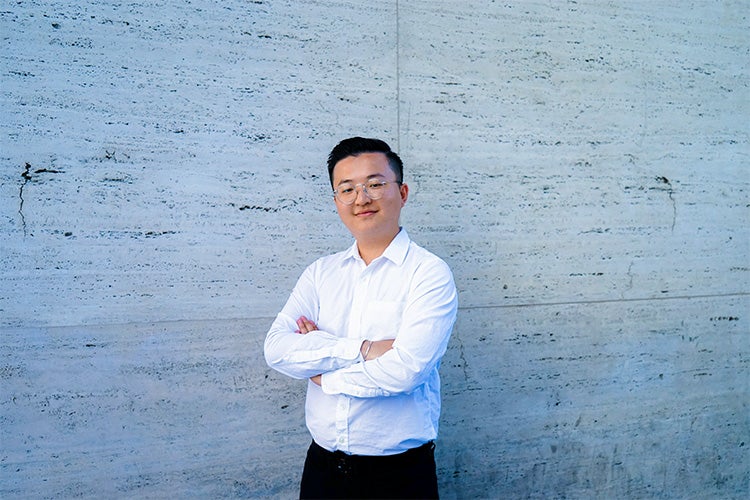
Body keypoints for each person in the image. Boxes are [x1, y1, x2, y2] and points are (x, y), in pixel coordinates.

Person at [264, 137, 458, 499]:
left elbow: (405, 371)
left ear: (402, 192)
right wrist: (365, 349)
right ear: (336, 200)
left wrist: (322, 369)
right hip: (322, 470)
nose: (361, 198)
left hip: (397, 477)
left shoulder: (429, 273)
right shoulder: (321, 273)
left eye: (374, 184)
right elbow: (276, 350)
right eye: (347, 188)